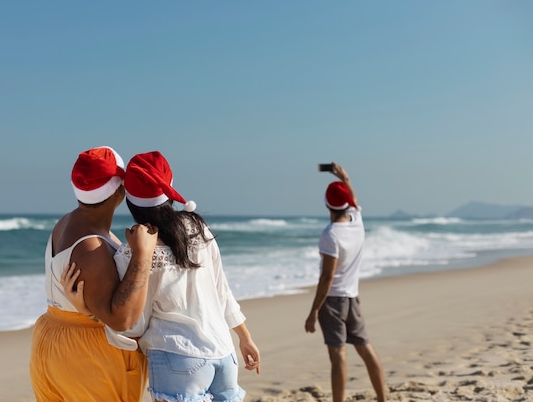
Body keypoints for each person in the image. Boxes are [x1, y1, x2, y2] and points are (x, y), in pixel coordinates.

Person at [63, 150, 260, 402]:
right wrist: (245, 338)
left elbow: (133, 324)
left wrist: (89, 311)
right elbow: (222, 291)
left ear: (128, 200)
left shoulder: (131, 253)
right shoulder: (199, 229)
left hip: (177, 357)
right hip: (224, 352)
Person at [29, 146, 158, 402]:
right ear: (120, 190)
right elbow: (122, 320)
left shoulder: (66, 222)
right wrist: (143, 255)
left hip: (52, 338)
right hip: (86, 352)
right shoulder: (92, 246)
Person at [304, 163, 387, 402]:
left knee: (338, 356)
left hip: (332, 302)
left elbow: (327, 277)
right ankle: (382, 398)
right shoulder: (356, 220)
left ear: (326, 203)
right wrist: (345, 177)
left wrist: (314, 311)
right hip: (352, 298)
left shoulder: (331, 234)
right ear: (347, 204)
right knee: (365, 348)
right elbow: (354, 200)